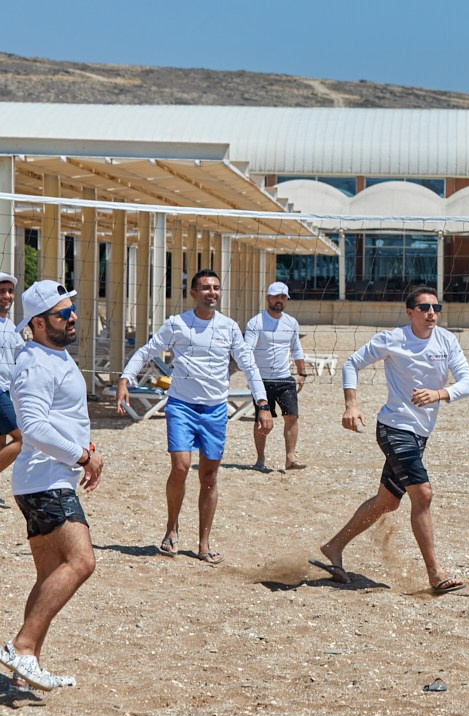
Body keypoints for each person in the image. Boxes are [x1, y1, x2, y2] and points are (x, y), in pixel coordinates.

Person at [313, 286, 469, 592]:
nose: (432, 313)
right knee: (423, 494)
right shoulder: (393, 339)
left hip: (420, 432)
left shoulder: (447, 340)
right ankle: (435, 574)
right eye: (424, 308)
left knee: (387, 502)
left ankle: (333, 546)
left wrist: (440, 393)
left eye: (436, 308)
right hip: (394, 427)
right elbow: (351, 363)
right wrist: (351, 403)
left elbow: (468, 382)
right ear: (410, 312)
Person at [116, 269, 271, 565]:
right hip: (181, 406)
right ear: (193, 293)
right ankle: (171, 528)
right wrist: (125, 379)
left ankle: (204, 542)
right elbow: (147, 351)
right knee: (181, 466)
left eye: (216, 288)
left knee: (209, 476)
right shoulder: (177, 324)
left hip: (214, 409)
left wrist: (262, 404)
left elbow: (249, 366)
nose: (211, 292)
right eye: (205, 288)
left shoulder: (229, 327)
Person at [0, 280, 103, 691]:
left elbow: (61, 418)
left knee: (47, 576)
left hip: (48, 478)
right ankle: (22, 646)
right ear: (39, 324)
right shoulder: (37, 363)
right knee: (82, 562)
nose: (73, 316)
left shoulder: (52, 355)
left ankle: (23, 672)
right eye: (64, 313)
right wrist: (82, 456)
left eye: (72, 309)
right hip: (46, 481)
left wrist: (85, 448)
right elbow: (34, 428)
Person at [244, 281, 307, 471]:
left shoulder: (291, 322)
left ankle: (290, 458)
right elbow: (247, 351)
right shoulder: (256, 322)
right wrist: (251, 378)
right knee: (262, 422)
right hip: (261, 379)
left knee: (292, 417)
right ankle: (260, 459)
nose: (280, 300)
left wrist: (302, 373)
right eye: (276, 296)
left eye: (283, 297)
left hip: (284, 377)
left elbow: (297, 349)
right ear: (268, 298)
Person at [0, 273, 24, 508]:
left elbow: (22, 358)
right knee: (23, 438)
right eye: (2, 291)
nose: (7, 295)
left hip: (7, 391)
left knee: (2, 441)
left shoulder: (12, 327)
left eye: (9, 291)